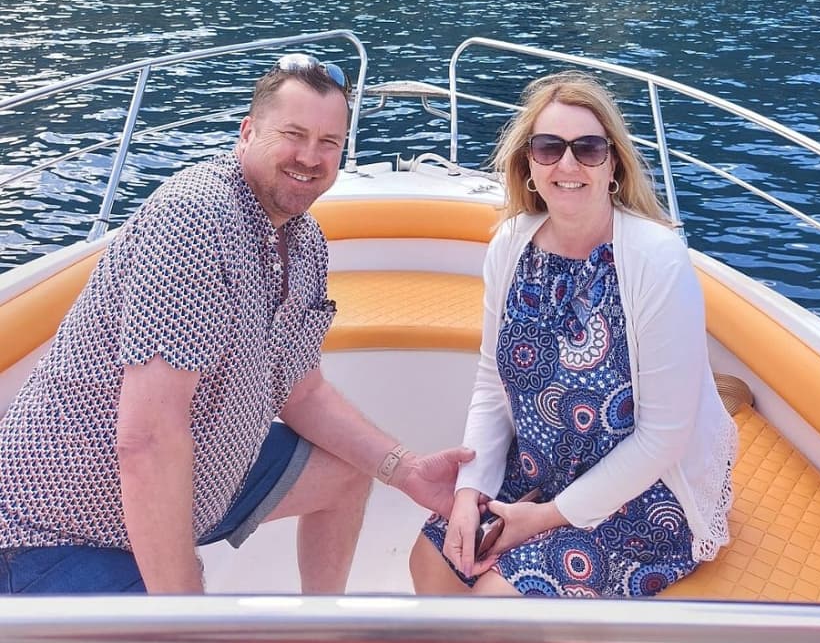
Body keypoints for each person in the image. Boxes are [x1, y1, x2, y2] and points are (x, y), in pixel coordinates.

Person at [0, 53, 471, 595]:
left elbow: (300, 388)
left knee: (343, 472)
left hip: (202, 482)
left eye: (329, 143)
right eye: (293, 134)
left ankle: (320, 633)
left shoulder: (302, 240)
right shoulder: (196, 220)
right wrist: (191, 619)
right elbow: (149, 440)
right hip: (57, 531)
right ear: (247, 133)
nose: (310, 157)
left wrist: (406, 470)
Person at [410, 70, 736, 599]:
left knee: (497, 603)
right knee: (431, 562)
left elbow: (662, 438)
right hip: (543, 467)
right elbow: (494, 381)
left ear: (612, 164)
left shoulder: (655, 259)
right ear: (528, 164)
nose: (567, 164)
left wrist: (541, 519)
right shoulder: (512, 244)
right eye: (548, 147)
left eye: (587, 148)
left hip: (644, 490)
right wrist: (470, 492)